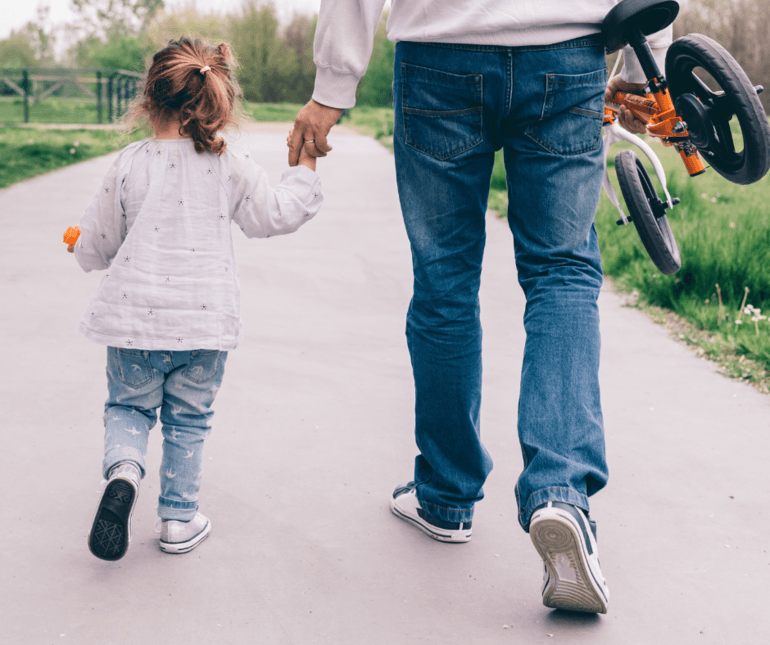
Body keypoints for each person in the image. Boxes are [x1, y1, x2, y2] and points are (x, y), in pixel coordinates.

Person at [289, 1, 672, 614]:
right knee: (562, 273)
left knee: (444, 281)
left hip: (440, 57)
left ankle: (445, 495)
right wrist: (647, 60)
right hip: (568, 54)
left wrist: (333, 87)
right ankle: (561, 491)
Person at [69, 37, 322, 561]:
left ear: (148, 99)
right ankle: (179, 520)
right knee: (188, 422)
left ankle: (123, 474)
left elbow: (99, 243)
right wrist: (303, 169)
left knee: (129, 410)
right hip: (204, 328)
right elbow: (274, 215)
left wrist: (80, 248)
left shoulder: (128, 163)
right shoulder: (228, 163)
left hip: (133, 325)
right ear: (215, 101)